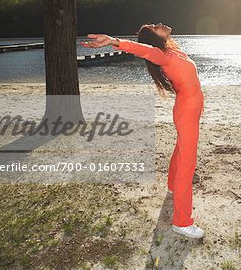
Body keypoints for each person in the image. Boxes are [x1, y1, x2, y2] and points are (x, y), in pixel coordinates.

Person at [81, 22, 205, 238]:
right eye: (155, 26)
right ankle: (182, 222)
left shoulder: (172, 51)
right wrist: (113, 41)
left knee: (182, 150)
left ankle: (173, 187)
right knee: (188, 162)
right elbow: (142, 50)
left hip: (192, 109)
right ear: (153, 38)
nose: (160, 24)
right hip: (186, 112)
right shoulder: (160, 55)